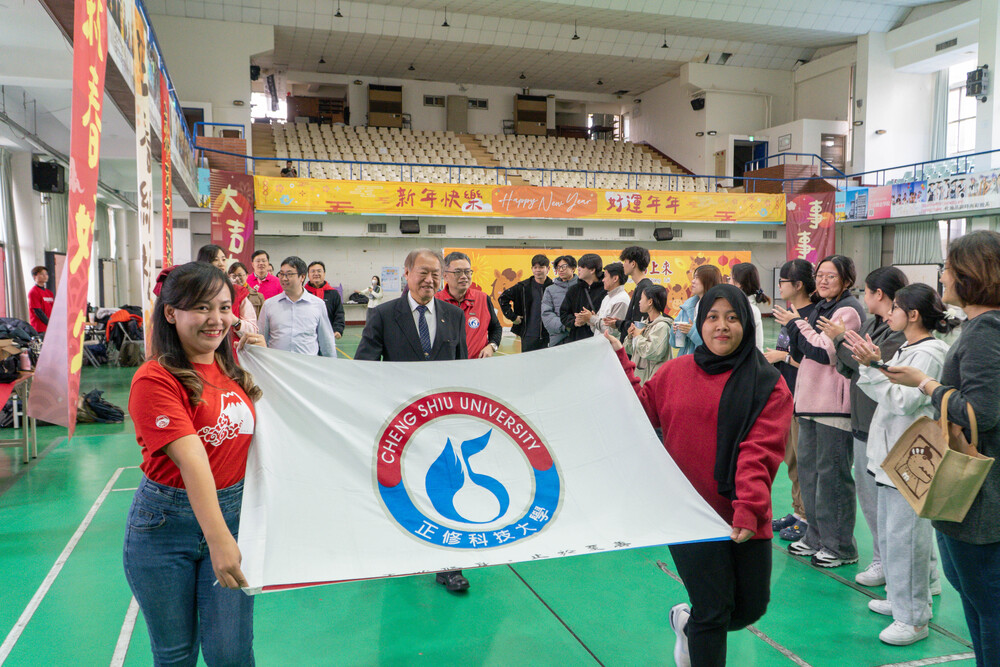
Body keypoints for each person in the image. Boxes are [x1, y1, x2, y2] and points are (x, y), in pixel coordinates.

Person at [605, 284, 792, 667]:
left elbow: (759, 452)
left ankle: (686, 624)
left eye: (732, 318)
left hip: (742, 510)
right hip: (686, 511)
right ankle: (699, 628)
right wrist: (621, 361)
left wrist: (749, 508)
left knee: (747, 609)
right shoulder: (675, 374)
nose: (721, 327)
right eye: (712, 317)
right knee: (713, 609)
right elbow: (637, 413)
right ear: (699, 323)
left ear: (747, 325)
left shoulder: (768, 384)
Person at [123, 262, 267, 666]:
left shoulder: (234, 367)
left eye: (224, 308)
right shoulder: (155, 379)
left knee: (231, 653)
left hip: (234, 512)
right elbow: (193, 461)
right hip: (165, 527)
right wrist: (221, 539)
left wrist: (262, 355)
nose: (215, 320)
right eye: (202, 308)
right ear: (171, 313)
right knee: (176, 655)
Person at [880, 231, 1000, 667]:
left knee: (986, 602)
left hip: (980, 499)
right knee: (976, 599)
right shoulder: (980, 327)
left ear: (971, 274)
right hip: (976, 500)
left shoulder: (987, 331)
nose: (942, 275)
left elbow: (979, 415)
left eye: (948, 267)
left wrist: (927, 384)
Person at [355, 249, 470, 593]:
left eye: (437, 274)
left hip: (442, 424)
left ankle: (449, 564)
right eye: (423, 272)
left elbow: (461, 367)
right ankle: (399, 555)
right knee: (400, 487)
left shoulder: (453, 315)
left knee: (447, 490)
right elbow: (364, 364)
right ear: (406, 273)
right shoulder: (384, 314)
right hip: (399, 423)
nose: (430, 280)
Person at [847, 283, 956, 646]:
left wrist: (875, 369)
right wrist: (873, 364)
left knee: (906, 537)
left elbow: (903, 401)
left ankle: (913, 619)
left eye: (895, 308)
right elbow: (881, 388)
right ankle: (899, 598)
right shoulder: (909, 348)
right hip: (892, 453)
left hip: (913, 457)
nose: (889, 313)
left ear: (912, 315)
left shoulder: (929, 353)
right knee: (893, 535)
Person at [773, 255, 865, 568]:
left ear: (847, 280)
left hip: (833, 407)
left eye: (830, 276)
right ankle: (815, 537)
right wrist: (799, 324)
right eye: (820, 275)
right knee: (810, 474)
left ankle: (841, 546)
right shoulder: (821, 309)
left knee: (833, 478)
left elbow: (823, 353)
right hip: (809, 403)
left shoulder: (847, 310)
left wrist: (795, 322)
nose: (823, 281)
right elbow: (801, 348)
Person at [822, 267, 909, 587]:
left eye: (867, 292)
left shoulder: (898, 333)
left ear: (879, 295)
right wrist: (846, 346)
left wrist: (840, 339)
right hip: (862, 419)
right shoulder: (873, 324)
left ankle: (889, 564)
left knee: (887, 506)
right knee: (871, 500)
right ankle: (883, 560)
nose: (864, 298)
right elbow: (853, 365)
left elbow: (872, 364)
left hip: (882, 424)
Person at [763, 260, 817, 542]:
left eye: (784, 281)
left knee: (803, 460)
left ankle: (808, 516)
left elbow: (815, 359)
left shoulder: (812, 315)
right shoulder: (790, 313)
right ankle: (798, 511)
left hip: (804, 395)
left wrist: (783, 357)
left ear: (797, 285)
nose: (780, 286)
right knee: (792, 459)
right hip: (787, 394)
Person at [257, 256, 338, 356]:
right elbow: (260, 338)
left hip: (306, 368)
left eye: (289, 274)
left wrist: (331, 367)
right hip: (278, 367)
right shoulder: (269, 305)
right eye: (281, 274)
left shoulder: (318, 305)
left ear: (302, 277)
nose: (284, 278)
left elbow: (327, 342)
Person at [436, 251, 502, 358]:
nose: (464, 276)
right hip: (446, 367)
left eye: (467, 272)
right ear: (445, 276)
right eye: (457, 272)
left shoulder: (483, 299)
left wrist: (492, 346)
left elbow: (496, 328)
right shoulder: (435, 301)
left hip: (477, 366)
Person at [198, 244, 258, 336]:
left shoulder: (237, 292)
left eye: (223, 259)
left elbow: (253, 330)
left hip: (231, 347)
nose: (221, 263)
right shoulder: (195, 290)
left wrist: (235, 321)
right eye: (215, 260)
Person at [498, 254, 552, 352]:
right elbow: (502, 298)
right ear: (532, 269)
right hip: (528, 335)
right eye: (535, 267)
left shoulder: (553, 287)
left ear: (548, 269)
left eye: (541, 267)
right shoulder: (522, 287)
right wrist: (513, 317)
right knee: (528, 364)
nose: (538, 270)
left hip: (549, 335)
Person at [625, 285, 673, 384]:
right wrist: (631, 336)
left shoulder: (662, 326)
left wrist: (638, 337)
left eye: (642, 298)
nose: (639, 301)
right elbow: (630, 350)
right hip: (640, 378)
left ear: (650, 302)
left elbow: (651, 352)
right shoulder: (645, 324)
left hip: (653, 381)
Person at [674, 265, 722, 357]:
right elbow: (674, 344)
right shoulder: (688, 306)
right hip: (686, 361)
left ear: (708, 281)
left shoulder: (716, 308)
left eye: (697, 277)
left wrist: (692, 331)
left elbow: (715, 343)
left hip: (704, 362)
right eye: (693, 277)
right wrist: (675, 330)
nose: (693, 281)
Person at [559, 253, 606, 343]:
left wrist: (591, 318)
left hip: (600, 339)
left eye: (582, 267)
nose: (578, 269)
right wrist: (575, 321)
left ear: (592, 270)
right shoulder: (574, 290)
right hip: (577, 339)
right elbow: (563, 313)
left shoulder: (606, 289)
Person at [610, 246, 653, 342]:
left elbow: (638, 324)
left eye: (625, 261)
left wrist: (619, 324)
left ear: (633, 264)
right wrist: (620, 322)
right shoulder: (641, 286)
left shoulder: (644, 288)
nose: (623, 265)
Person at [731, 263, 770, 352]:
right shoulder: (741, 305)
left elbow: (757, 345)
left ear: (739, 284)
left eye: (730, 279)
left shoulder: (750, 309)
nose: (728, 282)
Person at [541, 255, 577, 347]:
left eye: (564, 267)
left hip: (581, 336)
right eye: (558, 267)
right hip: (559, 339)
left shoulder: (582, 287)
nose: (560, 270)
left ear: (573, 268)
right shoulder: (550, 290)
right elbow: (547, 314)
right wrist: (566, 326)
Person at [305, 261, 345, 340]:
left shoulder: (333, 293)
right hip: (307, 337)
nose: (316, 274)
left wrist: (338, 329)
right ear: (308, 275)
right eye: (313, 271)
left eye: (319, 271)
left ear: (324, 273)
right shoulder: (303, 293)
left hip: (328, 336)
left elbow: (339, 313)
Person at [589, 262, 629, 336]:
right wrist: (590, 319)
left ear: (615, 278)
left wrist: (592, 318)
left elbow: (612, 331)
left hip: (610, 346)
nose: (603, 280)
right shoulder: (607, 297)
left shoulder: (621, 300)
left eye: (605, 276)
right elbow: (596, 329)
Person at [28, 266, 54, 334]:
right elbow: (38, 311)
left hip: (50, 327)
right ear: (34, 276)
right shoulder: (33, 292)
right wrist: (49, 323)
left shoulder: (49, 293)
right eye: (42, 274)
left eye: (46, 274)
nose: (45, 276)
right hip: (40, 328)